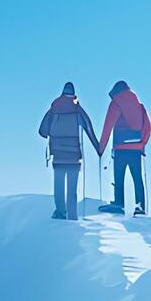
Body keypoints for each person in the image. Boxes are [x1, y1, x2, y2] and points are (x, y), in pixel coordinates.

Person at [38, 82, 104, 220]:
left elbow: (42, 130)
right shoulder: (77, 109)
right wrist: (98, 148)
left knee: (58, 184)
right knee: (72, 190)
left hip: (57, 154)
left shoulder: (54, 107)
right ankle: (72, 216)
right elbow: (89, 128)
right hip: (74, 155)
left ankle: (60, 212)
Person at [97, 80, 151, 215]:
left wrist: (100, 149)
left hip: (121, 148)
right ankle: (140, 207)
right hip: (136, 149)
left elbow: (107, 127)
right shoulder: (139, 105)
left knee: (119, 176)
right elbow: (147, 127)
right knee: (137, 178)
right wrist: (142, 145)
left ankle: (119, 203)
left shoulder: (116, 103)